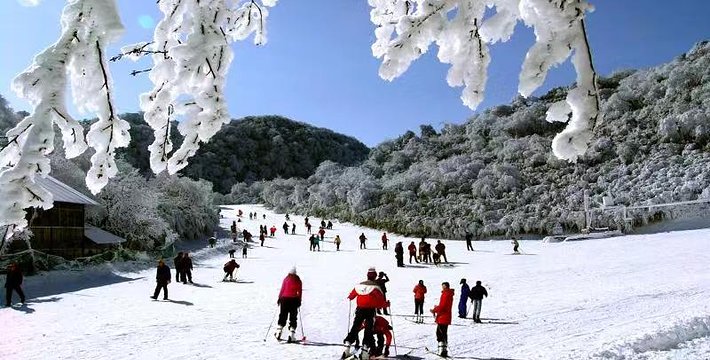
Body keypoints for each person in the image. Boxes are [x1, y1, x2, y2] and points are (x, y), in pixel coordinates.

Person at [343, 267, 388, 359]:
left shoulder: (360, 285)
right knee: (368, 329)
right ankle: (364, 351)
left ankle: (347, 346)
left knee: (355, 326)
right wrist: (386, 304)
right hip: (370, 311)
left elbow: (352, 295)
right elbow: (380, 303)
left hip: (359, 309)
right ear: (375, 276)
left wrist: (351, 297)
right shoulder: (375, 287)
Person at [275, 267, 302, 342]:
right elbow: (299, 292)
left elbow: (282, 289)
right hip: (294, 300)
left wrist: (279, 298)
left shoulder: (286, 279)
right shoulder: (298, 280)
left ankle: (278, 332)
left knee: (282, 315)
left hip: (284, 299)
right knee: (293, 317)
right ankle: (291, 335)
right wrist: (299, 300)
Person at [430, 282, 454, 357]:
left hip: (443, 317)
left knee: (440, 333)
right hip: (446, 316)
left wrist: (434, 310)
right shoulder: (449, 294)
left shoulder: (446, 294)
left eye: (443, 286)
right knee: (443, 333)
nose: (442, 287)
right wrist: (437, 307)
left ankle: (442, 351)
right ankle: (444, 350)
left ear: (445, 286)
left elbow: (442, 306)